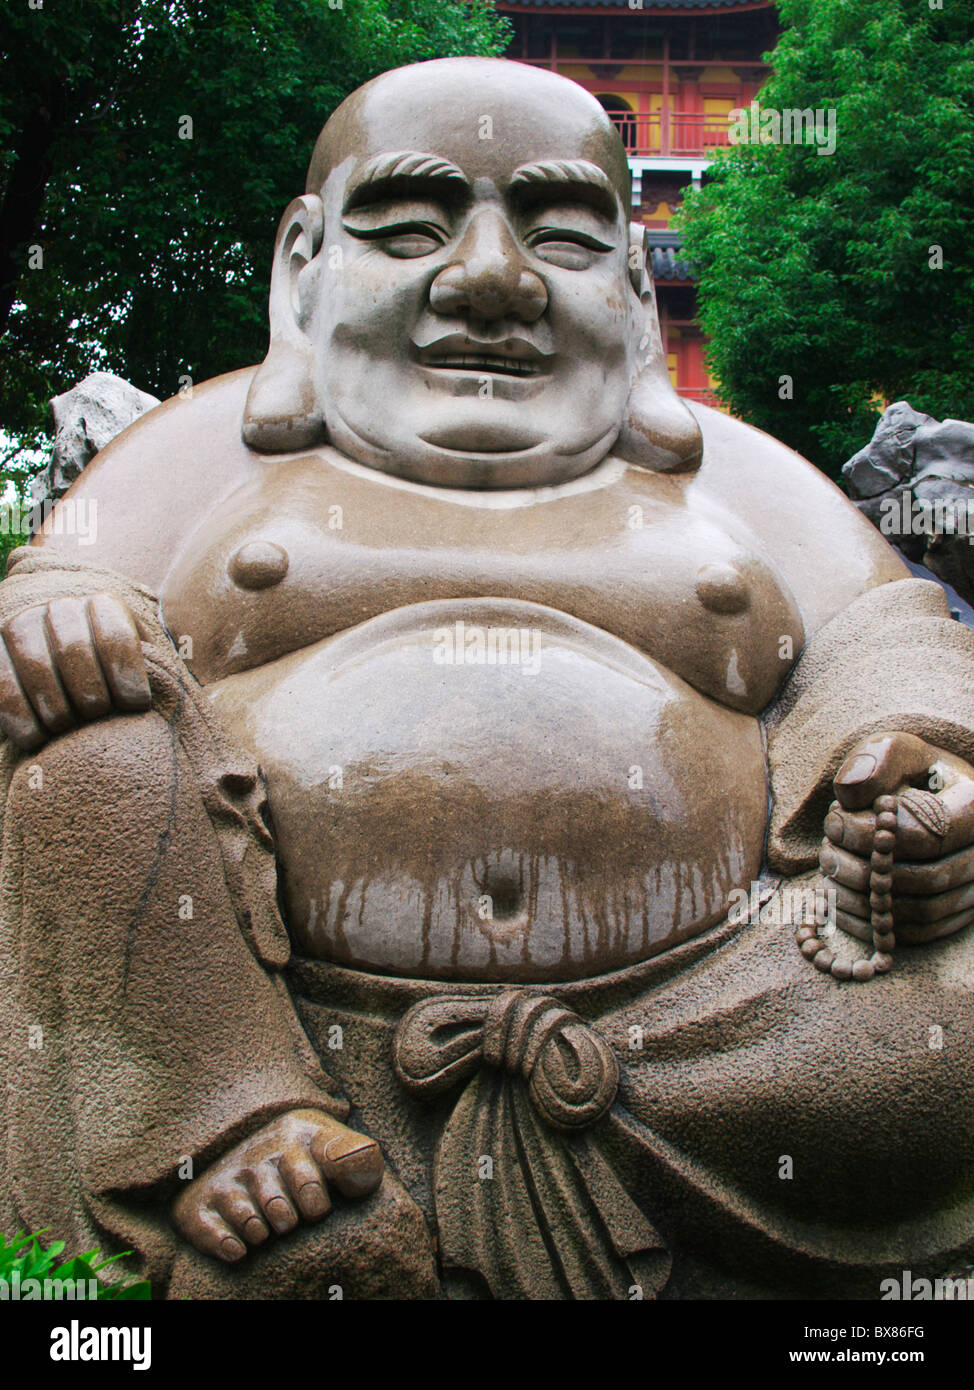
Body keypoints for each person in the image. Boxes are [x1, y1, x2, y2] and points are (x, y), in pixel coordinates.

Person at [2, 58, 974, 1299]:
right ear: (302, 267)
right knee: (85, 760)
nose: (488, 282)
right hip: (262, 1012)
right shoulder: (208, 452)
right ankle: (231, 1122)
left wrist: (905, 765)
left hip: (719, 1027)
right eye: (406, 229)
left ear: (631, 284)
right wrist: (53, 623)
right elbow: (55, 584)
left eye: (560, 237)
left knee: (931, 1032)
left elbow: (888, 636)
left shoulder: (738, 483)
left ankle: (601, 1123)